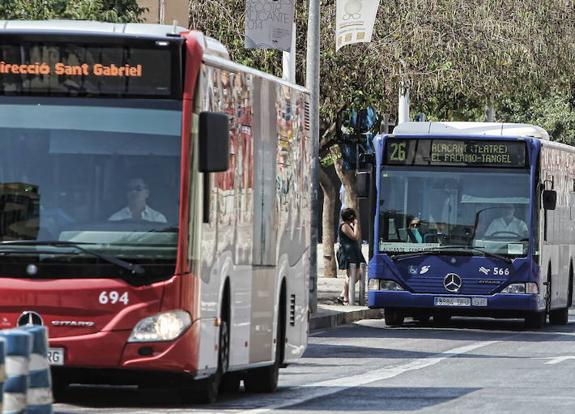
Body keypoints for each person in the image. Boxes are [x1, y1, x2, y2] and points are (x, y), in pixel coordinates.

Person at [336, 208, 366, 305]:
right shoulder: (344, 226)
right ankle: (345, 297)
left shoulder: (348, 225)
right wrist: (356, 224)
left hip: (353, 251)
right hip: (348, 252)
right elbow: (355, 236)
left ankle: (343, 295)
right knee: (353, 275)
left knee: (352, 275)